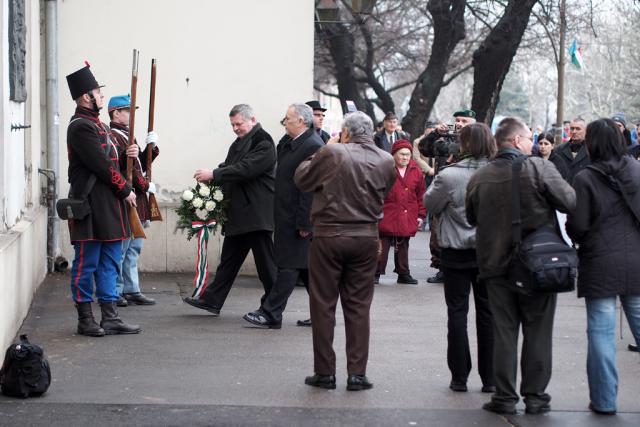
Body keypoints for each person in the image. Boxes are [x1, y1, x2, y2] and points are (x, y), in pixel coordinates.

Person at [466, 117, 575, 415]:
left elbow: (471, 218)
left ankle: (504, 398)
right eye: (529, 138)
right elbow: (569, 201)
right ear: (516, 141)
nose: (532, 143)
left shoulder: (480, 177)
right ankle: (536, 397)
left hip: (495, 266)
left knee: (504, 332)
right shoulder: (539, 167)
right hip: (538, 266)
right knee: (538, 331)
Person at [294, 111, 395, 391]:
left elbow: (302, 179)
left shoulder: (334, 152)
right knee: (359, 306)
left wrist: (324, 150)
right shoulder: (386, 160)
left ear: (346, 132)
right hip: (366, 236)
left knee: (323, 304)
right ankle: (357, 373)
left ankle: (325, 372)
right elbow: (384, 192)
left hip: (329, 234)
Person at [565, 118, 640, 416]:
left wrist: (574, 234)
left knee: (601, 334)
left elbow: (579, 224)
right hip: (636, 260)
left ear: (592, 143)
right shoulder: (637, 170)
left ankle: (605, 400)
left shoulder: (585, 178)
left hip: (599, 263)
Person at [64, 64, 141, 336]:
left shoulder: (99, 126)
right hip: (91, 205)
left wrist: (131, 153)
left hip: (109, 206)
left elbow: (114, 161)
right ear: (86, 96)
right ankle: (86, 319)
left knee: (110, 262)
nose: (100, 96)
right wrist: (125, 190)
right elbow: (100, 165)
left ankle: (110, 317)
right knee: (88, 263)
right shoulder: (80, 127)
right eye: (97, 91)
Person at [185, 104, 277, 317]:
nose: (236, 128)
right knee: (229, 261)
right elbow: (230, 166)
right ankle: (212, 300)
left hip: (256, 213)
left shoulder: (262, 140)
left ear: (252, 120)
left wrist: (215, 174)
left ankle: (274, 305)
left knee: (266, 265)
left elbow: (246, 169)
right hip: (241, 212)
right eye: (233, 125)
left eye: (239, 124)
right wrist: (213, 186)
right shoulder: (241, 142)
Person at [424, 123, 496, 394]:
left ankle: (459, 377)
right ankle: (489, 378)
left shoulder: (449, 175)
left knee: (457, 314)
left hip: (455, 251)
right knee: (488, 314)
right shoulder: (497, 171)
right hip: (489, 252)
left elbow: (430, 204)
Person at [242, 103, 324, 329]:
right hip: (286, 215)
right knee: (304, 269)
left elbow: (311, 187)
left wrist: (306, 222)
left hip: (299, 219)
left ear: (302, 122)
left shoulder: (313, 145)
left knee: (288, 266)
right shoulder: (290, 142)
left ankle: (271, 312)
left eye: (288, 118)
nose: (284, 122)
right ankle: (323, 315)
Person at [108, 95, 158, 307]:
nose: (131, 114)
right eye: (127, 110)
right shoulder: (113, 136)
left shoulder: (128, 135)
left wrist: (151, 148)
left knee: (133, 249)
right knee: (121, 250)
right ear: (115, 113)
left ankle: (131, 289)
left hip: (136, 199)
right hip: (126, 198)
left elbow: (139, 166)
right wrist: (146, 185)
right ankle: (116, 291)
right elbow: (124, 169)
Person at [421, 109, 476, 284]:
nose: (459, 123)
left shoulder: (478, 141)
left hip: (466, 193)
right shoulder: (444, 138)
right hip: (443, 190)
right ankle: (441, 267)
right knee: (438, 231)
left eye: (464, 121)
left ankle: (466, 266)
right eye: (458, 120)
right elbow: (424, 149)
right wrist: (435, 133)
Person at [375, 140, 426, 285]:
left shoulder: (416, 171)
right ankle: (375, 273)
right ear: (394, 155)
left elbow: (421, 194)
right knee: (382, 246)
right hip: (387, 212)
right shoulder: (385, 170)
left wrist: (421, 215)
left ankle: (403, 273)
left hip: (407, 213)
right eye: (402, 154)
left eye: (408, 154)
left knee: (403, 244)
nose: (405, 157)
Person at [549, 117, 590, 184]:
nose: (574, 132)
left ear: (586, 131)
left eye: (578, 129)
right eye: (572, 128)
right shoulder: (559, 150)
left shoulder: (593, 150)